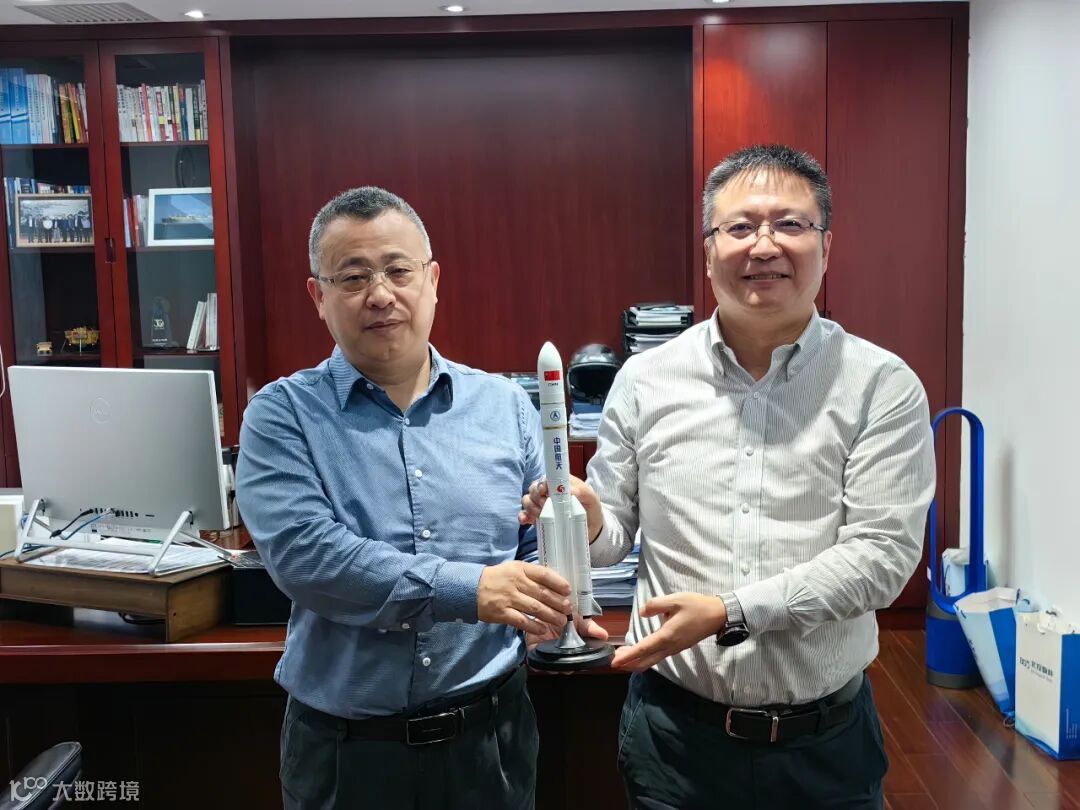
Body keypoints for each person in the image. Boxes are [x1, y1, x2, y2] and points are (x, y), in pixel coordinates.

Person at [521, 144, 936, 809]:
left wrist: (729, 612)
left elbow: (881, 559)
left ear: (827, 246)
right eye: (740, 227)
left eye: (790, 224)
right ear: (710, 250)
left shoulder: (881, 386)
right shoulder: (646, 380)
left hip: (825, 747)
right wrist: (590, 519)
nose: (764, 245)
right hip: (676, 742)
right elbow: (614, 535)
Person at [236, 186, 605, 810]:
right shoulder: (281, 416)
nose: (380, 294)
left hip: (491, 742)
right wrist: (471, 590)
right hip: (348, 755)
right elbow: (308, 557)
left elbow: (529, 544)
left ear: (432, 281)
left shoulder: (505, 406)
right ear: (318, 297)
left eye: (398, 270)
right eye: (353, 277)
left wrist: (565, 560)